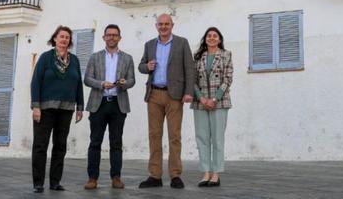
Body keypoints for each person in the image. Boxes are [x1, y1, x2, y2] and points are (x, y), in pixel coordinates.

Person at [137, 13, 196, 189]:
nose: (163, 27)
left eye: (166, 24)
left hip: (175, 96)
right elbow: (141, 66)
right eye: (160, 24)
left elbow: (189, 69)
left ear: (172, 25)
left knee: (174, 136)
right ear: (156, 26)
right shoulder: (149, 45)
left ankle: (175, 175)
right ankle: (155, 175)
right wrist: (147, 67)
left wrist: (188, 92)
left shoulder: (182, 43)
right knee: (154, 135)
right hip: (154, 94)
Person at [30, 25, 84, 193]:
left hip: (66, 109)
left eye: (67, 37)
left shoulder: (74, 60)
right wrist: (36, 106)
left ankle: (55, 182)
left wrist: (80, 107)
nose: (64, 39)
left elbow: (78, 84)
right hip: (45, 109)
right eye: (61, 36)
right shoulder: (45, 58)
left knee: (60, 146)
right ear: (55, 39)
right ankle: (38, 183)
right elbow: (35, 82)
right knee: (40, 145)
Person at [83, 24, 135, 190]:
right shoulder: (95, 57)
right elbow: (87, 79)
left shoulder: (127, 58)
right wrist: (100, 84)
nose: (112, 37)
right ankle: (92, 178)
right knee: (95, 142)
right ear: (104, 37)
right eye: (109, 35)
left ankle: (116, 177)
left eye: (115, 35)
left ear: (119, 37)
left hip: (118, 104)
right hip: (99, 103)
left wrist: (124, 83)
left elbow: (132, 80)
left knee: (116, 143)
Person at [191, 27, 233, 187]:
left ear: (220, 39)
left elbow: (228, 79)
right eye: (209, 36)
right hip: (200, 102)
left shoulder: (226, 55)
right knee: (202, 138)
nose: (212, 38)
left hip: (220, 102)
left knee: (217, 138)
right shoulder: (198, 57)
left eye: (215, 36)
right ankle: (206, 172)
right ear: (205, 39)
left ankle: (216, 173)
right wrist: (201, 98)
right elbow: (193, 80)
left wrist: (215, 99)